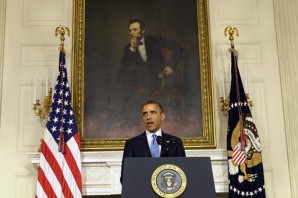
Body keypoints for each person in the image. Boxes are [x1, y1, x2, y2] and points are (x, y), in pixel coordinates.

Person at [118, 18, 183, 128]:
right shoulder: (128, 47)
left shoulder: (155, 40)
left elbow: (178, 47)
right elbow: (124, 65)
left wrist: (170, 65)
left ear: (143, 30)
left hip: (161, 75)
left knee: (134, 77)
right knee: (122, 75)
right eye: (130, 30)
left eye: (135, 29)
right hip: (142, 78)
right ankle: (129, 118)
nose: (131, 33)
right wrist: (132, 49)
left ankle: (135, 117)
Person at [120, 100, 186, 184]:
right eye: (145, 114)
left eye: (153, 112)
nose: (148, 117)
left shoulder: (175, 142)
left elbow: (182, 174)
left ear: (162, 116)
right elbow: (125, 177)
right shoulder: (132, 144)